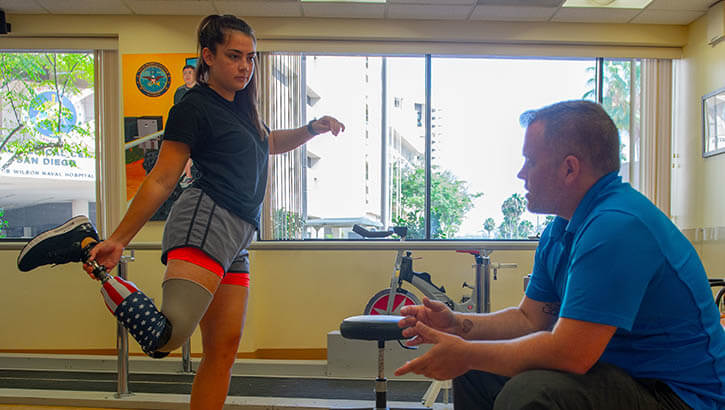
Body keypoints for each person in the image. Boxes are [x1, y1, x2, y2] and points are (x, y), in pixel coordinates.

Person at [17, 14, 344, 410]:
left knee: (223, 352)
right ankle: (84, 241)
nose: (245, 66)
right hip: (206, 222)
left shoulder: (242, 110)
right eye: (234, 56)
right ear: (208, 56)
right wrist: (118, 239)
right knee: (164, 338)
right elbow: (162, 178)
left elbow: (268, 141)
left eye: (251, 58)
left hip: (237, 238)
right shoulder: (194, 107)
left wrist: (312, 127)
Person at [394, 100, 725, 410]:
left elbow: (571, 354)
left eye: (530, 161)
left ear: (569, 168)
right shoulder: (562, 227)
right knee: (476, 370)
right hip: (620, 375)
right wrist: (457, 324)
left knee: (531, 392)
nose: (521, 174)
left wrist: (467, 352)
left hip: (681, 396)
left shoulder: (617, 226)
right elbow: (530, 319)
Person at [173, 64, 198, 188]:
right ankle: (187, 174)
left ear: (195, 74)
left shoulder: (201, 90)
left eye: (190, 72)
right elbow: (176, 111)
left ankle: (188, 174)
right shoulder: (179, 91)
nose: (187, 75)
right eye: (185, 73)